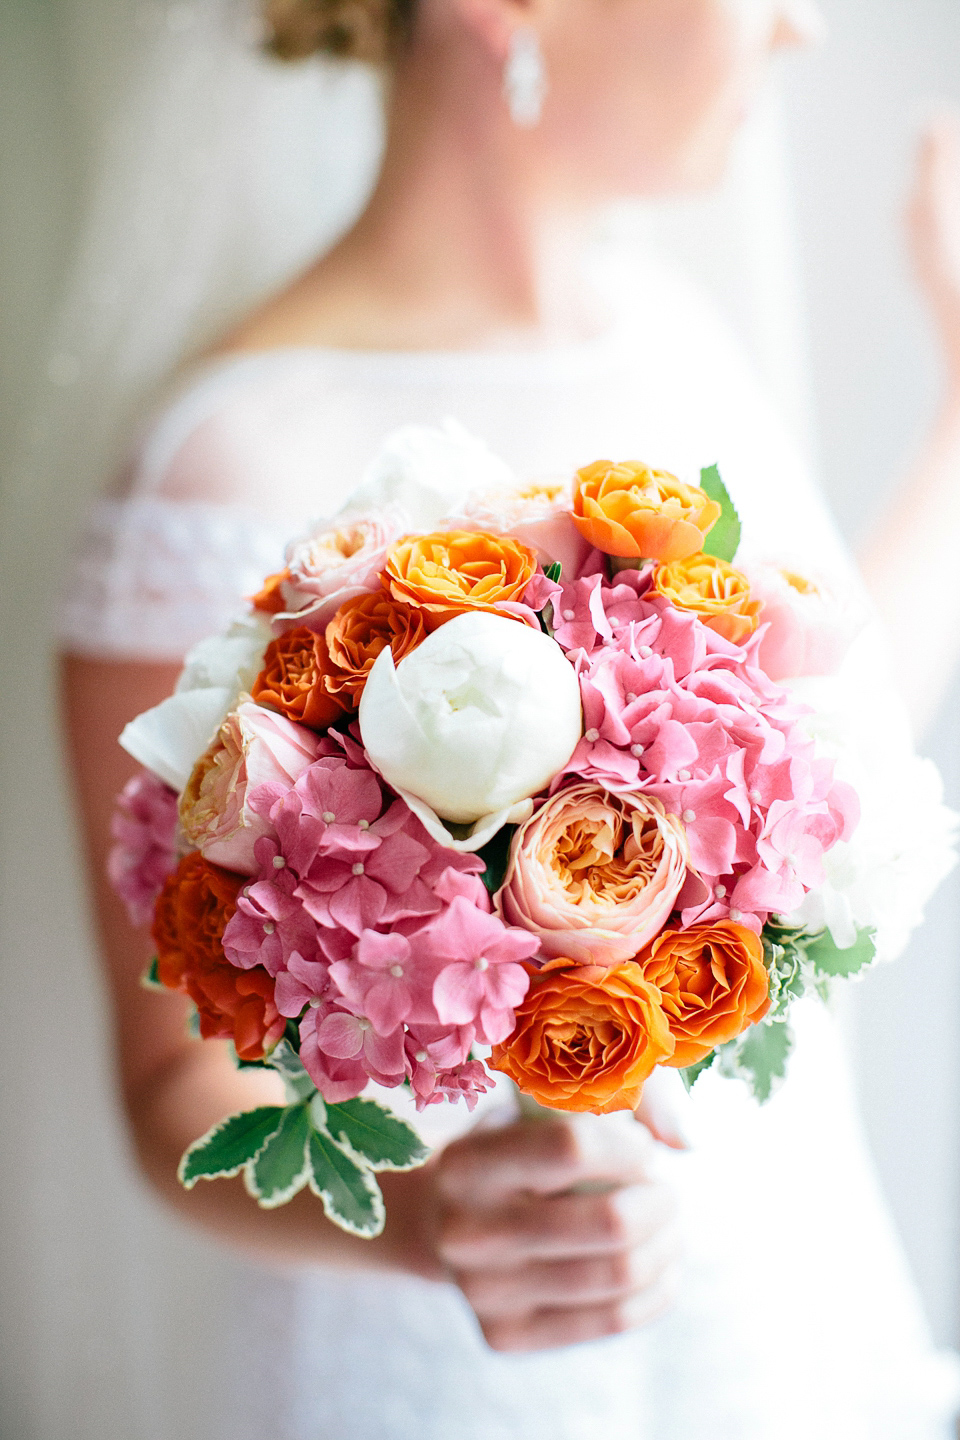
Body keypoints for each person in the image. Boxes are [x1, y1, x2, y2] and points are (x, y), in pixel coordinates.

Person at [57, 0, 960, 1435]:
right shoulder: (224, 454)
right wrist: (432, 1220)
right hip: (450, 1360)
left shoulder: (680, 331)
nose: (802, 29)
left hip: (775, 1295)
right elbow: (171, 1073)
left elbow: (835, 750)